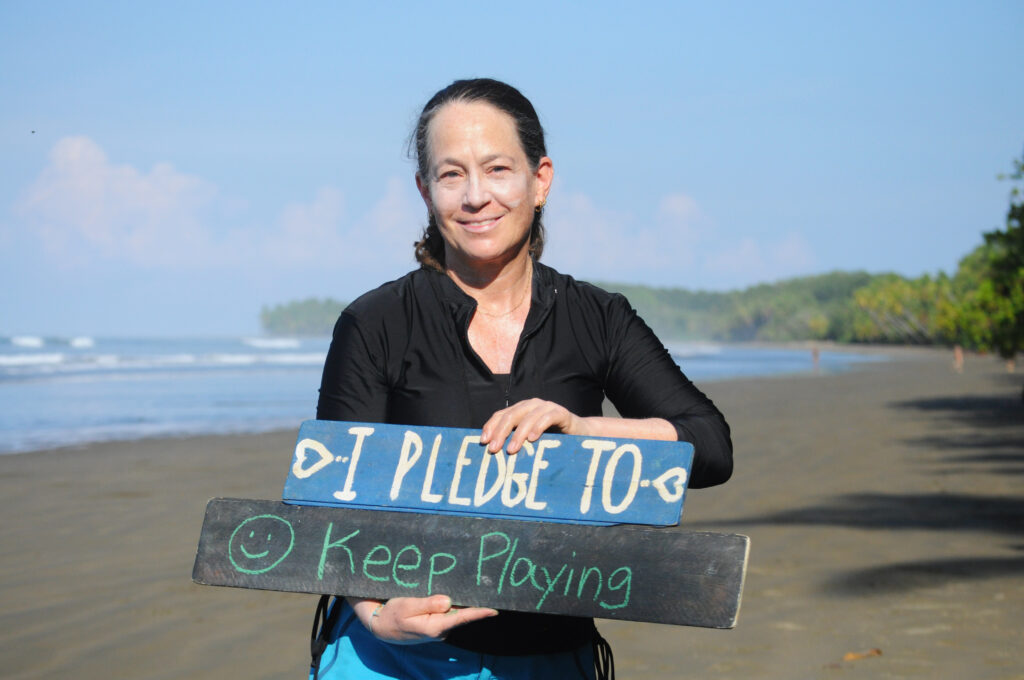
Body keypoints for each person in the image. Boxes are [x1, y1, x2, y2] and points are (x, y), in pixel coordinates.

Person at [310, 78, 733, 680]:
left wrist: (583, 428)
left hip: (551, 656)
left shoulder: (598, 318)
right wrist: (375, 615)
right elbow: (332, 492)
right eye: (452, 174)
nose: (476, 196)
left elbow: (711, 447)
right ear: (425, 191)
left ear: (541, 179)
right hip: (391, 658)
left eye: (498, 169)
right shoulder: (374, 323)